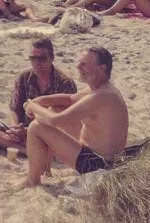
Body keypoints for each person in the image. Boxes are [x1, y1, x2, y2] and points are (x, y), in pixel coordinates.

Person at [17, 46, 129, 185]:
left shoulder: (103, 95)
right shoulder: (99, 88)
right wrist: (40, 100)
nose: (77, 67)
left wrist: (31, 106)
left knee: (36, 127)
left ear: (102, 68)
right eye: (79, 62)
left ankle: (31, 180)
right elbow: (70, 100)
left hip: (98, 164)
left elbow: (55, 121)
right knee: (56, 108)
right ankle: (46, 168)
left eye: (84, 64)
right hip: (93, 153)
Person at [0, 36, 76, 152]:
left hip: (48, 132)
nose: (37, 63)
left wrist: (27, 131)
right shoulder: (23, 77)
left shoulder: (65, 83)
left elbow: (65, 122)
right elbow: (14, 109)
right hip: (22, 130)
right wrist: (15, 129)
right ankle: (23, 149)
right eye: (33, 58)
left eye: (42, 59)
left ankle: (18, 147)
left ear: (51, 58)